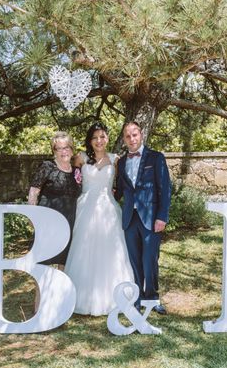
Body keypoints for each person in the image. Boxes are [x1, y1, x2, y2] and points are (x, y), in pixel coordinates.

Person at [64, 122, 135, 316]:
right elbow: (69, 178)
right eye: (95, 137)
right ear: (90, 140)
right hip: (85, 207)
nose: (99, 141)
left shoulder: (116, 159)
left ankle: (112, 297)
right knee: (83, 249)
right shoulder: (81, 158)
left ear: (108, 138)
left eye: (102, 136)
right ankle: (80, 296)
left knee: (110, 250)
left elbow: (121, 186)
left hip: (108, 208)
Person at [115, 121, 171, 315]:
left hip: (151, 217)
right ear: (124, 139)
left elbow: (165, 189)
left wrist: (162, 217)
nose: (132, 139)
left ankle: (153, 298)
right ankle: (137, 298)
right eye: (128, 136)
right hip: (129, 218)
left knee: (150, 260)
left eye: (135, 134)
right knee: (134, 261)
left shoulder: (156, 158)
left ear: (141, 134)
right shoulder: (121, 162)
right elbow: (120, 190)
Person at [28, 131, 81, 268]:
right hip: (48, 221)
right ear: (54, 151)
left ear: (72, 149)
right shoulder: (47, 166)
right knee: (43, 262)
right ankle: (41, 290)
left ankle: (61, 290)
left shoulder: (77, 171)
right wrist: (32, 217)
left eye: (66, 147)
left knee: (64, 262)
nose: (63, 151)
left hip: (69, 223)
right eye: (59, 148)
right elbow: (34, 191)